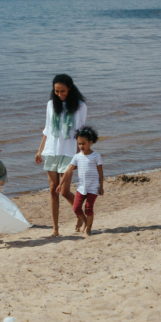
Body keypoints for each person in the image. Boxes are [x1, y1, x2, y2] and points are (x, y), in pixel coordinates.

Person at [35, 74, 88, 237]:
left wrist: (81, 154)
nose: (59, 94)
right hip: (52, 151)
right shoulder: (51, 104)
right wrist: (40, 150)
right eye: (56, 91)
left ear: (70, 88)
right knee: (52, 190)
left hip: (69, 152)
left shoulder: (80, 106)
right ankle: (55, 229)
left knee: (64, 190)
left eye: (63, 91)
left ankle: (82, 216)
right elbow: (48, 129)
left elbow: (81, 132)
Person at [57, 127, 103, 236]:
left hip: (93, 187)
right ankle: (85, 221)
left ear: (90, 143)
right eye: (79, 144)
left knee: (88, 208)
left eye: (83, 143)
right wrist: (60, 184)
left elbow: (100, 172)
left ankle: (89, 230)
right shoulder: (77, 156)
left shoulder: (96, 156)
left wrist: (101, 186)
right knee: (76, 208)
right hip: (81, 187)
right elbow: (68, 170)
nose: (81, 146)